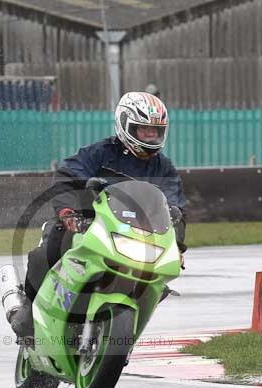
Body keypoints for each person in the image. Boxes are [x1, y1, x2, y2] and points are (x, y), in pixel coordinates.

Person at [10, 91, 187, 337]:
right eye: (144, 130)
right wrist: (68, 212)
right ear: (125, 125)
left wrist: (176, 244)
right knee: (46, 254)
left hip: (135, 235)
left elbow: (175, 208)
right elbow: (67, 176)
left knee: (159, 281)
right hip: (85, 224)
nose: (150, 136)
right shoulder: (99, 153)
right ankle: (29, 312)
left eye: (155, 131)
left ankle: (125, 329)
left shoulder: (163, 168)